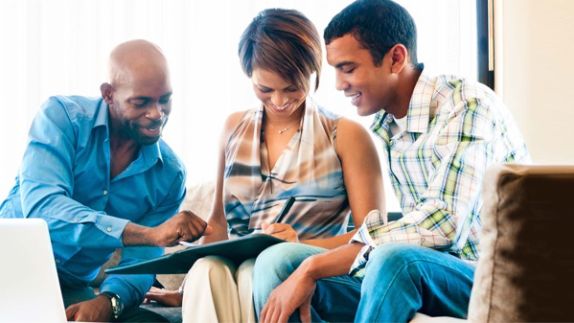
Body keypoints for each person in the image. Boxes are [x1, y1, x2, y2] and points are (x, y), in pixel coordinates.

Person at [253, 0, 531, 322]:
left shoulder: (467, 106)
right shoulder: (389, 126)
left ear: (396, 58)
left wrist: (314, 266)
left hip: (488, 277)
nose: (339, 85)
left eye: (348, 68)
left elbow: (442, 225)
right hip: (421, 274)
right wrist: (303, 264)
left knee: (394, 260)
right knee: (281, 261)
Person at [143, 8, 384, 323]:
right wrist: (186, 289)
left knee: (253, 270)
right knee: (207, 269)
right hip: (244, 266)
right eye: (265, 89)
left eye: (293, 87)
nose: (280, 101)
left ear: (314, 71)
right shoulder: (233, 129)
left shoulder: (345, 135)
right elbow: (218, 226)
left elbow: (374, 237)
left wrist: (299, 243)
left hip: (306, 271)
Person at [0, 39, 210, 322]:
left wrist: (109, 301)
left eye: (165, 100)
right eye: (141, 102)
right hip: (8, 269)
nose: (157, 114)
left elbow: (142, 262)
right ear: (109, 94)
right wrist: (149, 233)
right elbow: (44, 210)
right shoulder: (61, 119)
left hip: (72, 286)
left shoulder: (170, 174)